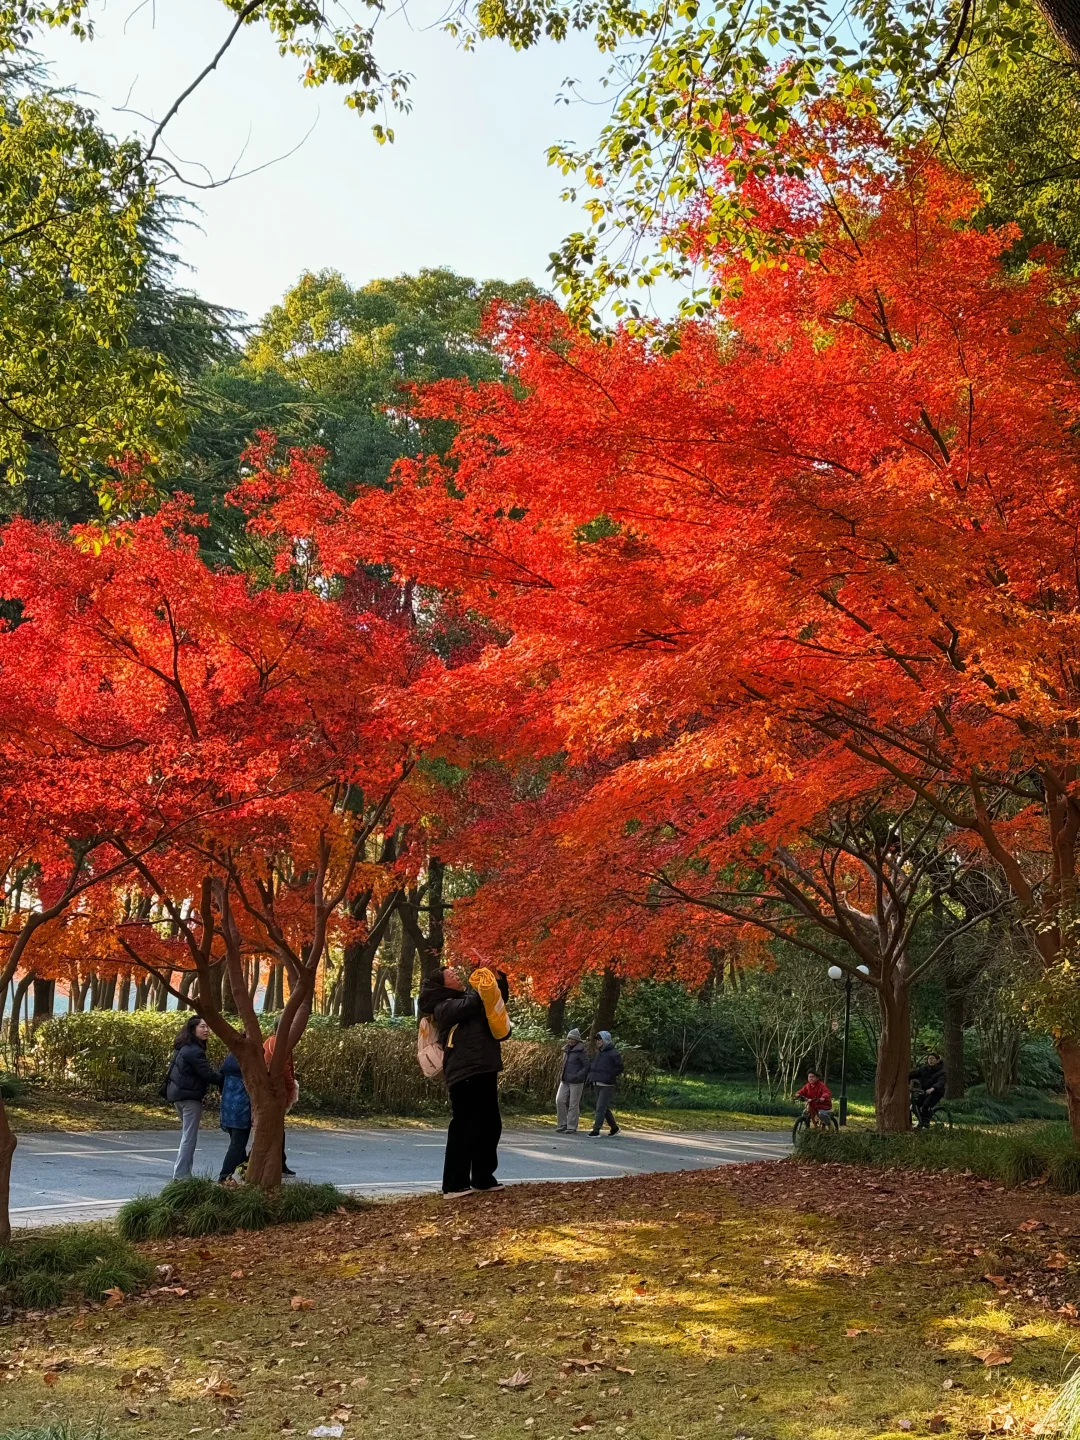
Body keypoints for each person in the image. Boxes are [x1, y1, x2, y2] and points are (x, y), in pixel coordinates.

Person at [417, 964, 509, 1196]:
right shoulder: (443, 1007)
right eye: (451, 975)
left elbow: (496, 1001)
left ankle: (482, 1178)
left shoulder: (467, 997)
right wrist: (485, 984)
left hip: (485, 1065)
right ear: (441, 984)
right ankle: (454, 1184)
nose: (457, 976)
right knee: (464, 1126)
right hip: (464, 1071)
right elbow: (475, 1002)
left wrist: (495, 977)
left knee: (490, 1125)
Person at [166, 1015, 223, 1180]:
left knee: (187, 1135)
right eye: (202, 1027)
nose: (206, 1030)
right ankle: (181, 1176)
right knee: (189, 1137)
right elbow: (208, 1075)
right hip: (189, 1098)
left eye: (207, 1027)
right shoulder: (194, 1051)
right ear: (193, 1029)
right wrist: (227, 1077)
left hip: (178, 1096)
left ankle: (183, 1174)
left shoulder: (183, 1048)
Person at [263, 1029, 299, 1176]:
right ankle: (277, 1164)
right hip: (276, 1092)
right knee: (275, 1130)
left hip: (271, 1091)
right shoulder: (279, 1044)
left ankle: (280, 1163)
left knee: (275, 1129)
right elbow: (284, 1069)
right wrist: (291, 1089)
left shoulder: (270, 1041)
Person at [218, 1052, 251, 1184]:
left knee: (237, 1143)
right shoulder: (249, 1060)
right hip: (242, 1107)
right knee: (237, 1144)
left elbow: (220, 1082)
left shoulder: (229, 1058)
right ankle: (225, 1175)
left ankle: (242, 1173)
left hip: (227, 1105)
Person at [587, 1030, 624, 1137]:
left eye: (600, 1039)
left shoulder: (613, 1053)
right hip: (597, 1083)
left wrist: (610, 1075)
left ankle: (596, 1130)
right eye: (597, 1040)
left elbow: (620, 1067)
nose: (598, 1042)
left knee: (600, 1108)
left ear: (606, 1040)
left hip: (607, 1084)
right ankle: (614, 1128)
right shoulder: (599, 1053)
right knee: (603, 1107)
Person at [556, 1028, 589, 1133]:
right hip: (565, 1080)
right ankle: (562, 1124)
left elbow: (587, 1066)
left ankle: (571, 1126)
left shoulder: (581, 1051)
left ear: (577, 1040)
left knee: (573, 1104)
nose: (570, 1041)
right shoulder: (566, 1050)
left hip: (576, 1082)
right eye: (569, 1038)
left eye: (573, 1039)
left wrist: (578, 1076)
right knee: (559, 1100)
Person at [910, 1053, 947, 1127]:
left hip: (936, 1092)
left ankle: (925, 1123)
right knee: (915, 1105)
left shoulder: (942, 1072)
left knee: (925, 1105)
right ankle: (921, 1121)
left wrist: (933, 1088)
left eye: (932, 1058)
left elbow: (941, 1082)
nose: (930, 1060)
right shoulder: (924, 1069)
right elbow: (914, 1074)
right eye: (929, 1058)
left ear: (938, 1060)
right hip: (925, 1092)